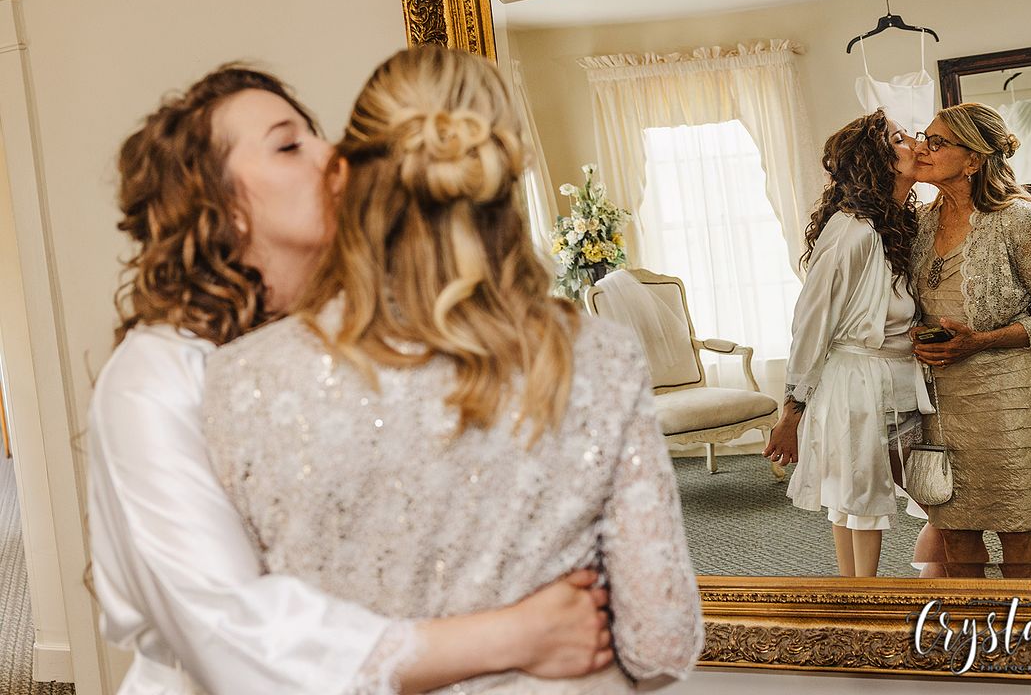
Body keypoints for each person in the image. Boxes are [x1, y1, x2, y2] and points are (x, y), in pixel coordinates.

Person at [88, 65, 615, 695]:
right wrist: (512, 636)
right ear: (221, 207)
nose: (333, 153)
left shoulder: (366, 341)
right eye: (289, 145)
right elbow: (227, 630)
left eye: (317, 134)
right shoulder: (153, 380)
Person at [200, 46, 705, 693]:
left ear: (349, 174)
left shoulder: (243, 378)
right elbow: (661, 645)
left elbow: (238, 645)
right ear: (502, 170)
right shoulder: (599, 357)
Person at [908, 102, 1031, 579]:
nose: (924, 147)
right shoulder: (919, 223)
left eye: (938, 142)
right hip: (943, 397)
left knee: (1017, 526)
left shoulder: (1015, 218)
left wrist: (978, 341)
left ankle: (1029, 642)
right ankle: (972, 641)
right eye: (925, 136)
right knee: (954, 528)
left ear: (974, 159)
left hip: (1010, 398)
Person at [763, 108, 933, 577]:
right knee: (856, 496)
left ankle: (861, 597)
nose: (915, 144)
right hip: (857, 381)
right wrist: (792, 410)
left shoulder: (899, 222)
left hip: (898, 376)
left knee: (862, 493)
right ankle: (860, 602)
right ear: (876, 160)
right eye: (900, 139)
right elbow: (810, 322)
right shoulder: (853, 232)